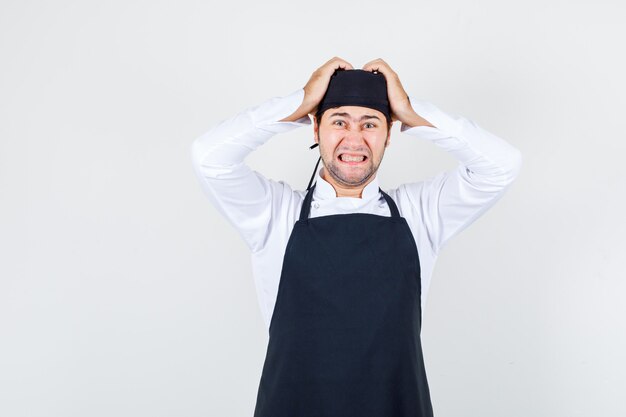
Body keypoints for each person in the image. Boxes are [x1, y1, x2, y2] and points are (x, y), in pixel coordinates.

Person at [191, 57, 522, 417]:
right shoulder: (274, 214)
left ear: (389, 134)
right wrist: (297, 103)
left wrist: (412, 112)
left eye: (370, 124)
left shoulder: (421, 213)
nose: (354, 139)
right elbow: (209, 157)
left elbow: (502, 165)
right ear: (314, 128)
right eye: (339, 122)